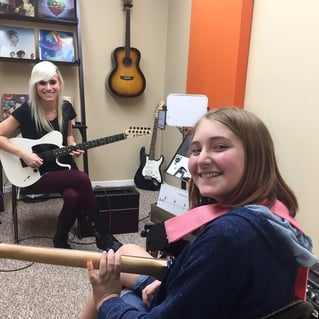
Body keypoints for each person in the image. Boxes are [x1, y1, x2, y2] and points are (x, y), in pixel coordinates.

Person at [81, 107, 317, 319]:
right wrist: (172, 282)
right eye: (196, 149)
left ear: (255, 156)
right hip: (213, 304)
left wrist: (107, 300)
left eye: (220, 146)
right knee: (125, 252)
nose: (202, 158)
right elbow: (211, 276)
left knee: (110, 286)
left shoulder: (229, 236)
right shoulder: (271, 211)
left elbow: (217, 260)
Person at [0, 61, 122, 251]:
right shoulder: (25, 111)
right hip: (35, 172)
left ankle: (60, 239)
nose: (48, 88)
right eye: (42, 83)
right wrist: (23, 154)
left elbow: (68, 136)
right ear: (35, 85)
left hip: (62, 165)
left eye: (52, 82)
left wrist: (72, 146)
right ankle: (103, 235)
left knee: (73, 196)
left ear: (59, 83)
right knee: (82, 179)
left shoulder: (66, 108)